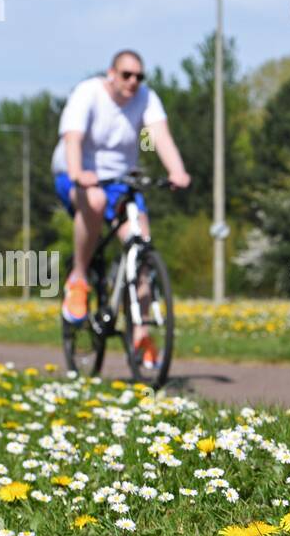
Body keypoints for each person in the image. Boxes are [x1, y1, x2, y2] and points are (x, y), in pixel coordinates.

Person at [51, 49, 189, 368]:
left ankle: (141, 334)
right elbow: (73, 138)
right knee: (95, 201)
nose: (133, 82)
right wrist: (77, 174)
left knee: (140, 246)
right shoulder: (88, 93)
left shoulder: (146, 98)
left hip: (122, 181)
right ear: (111, 73)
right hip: (77, 175)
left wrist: (177, 171)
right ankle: (80, 279)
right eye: (127, 75)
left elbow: (160, 137)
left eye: (139, 76)